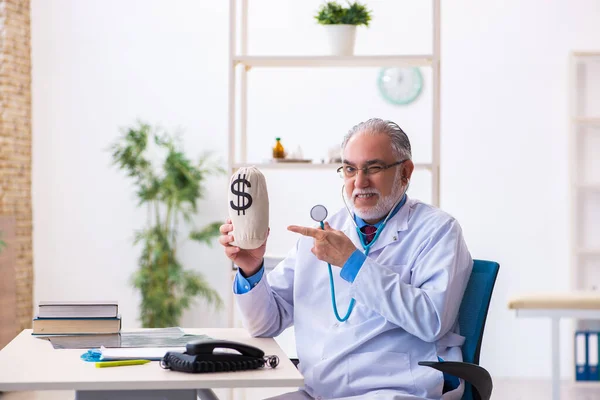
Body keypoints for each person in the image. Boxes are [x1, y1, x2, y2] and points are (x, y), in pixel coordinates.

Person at [219, 118, 473, 400]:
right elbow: (264, 324)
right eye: (350, 169)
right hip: (317, 392)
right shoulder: (321, 234)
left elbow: (432, 321)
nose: (359, 182)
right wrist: (251, 266)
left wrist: (353, 263)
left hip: (395, 391)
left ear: (405, 172)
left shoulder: (438, 230)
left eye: (373, 168)